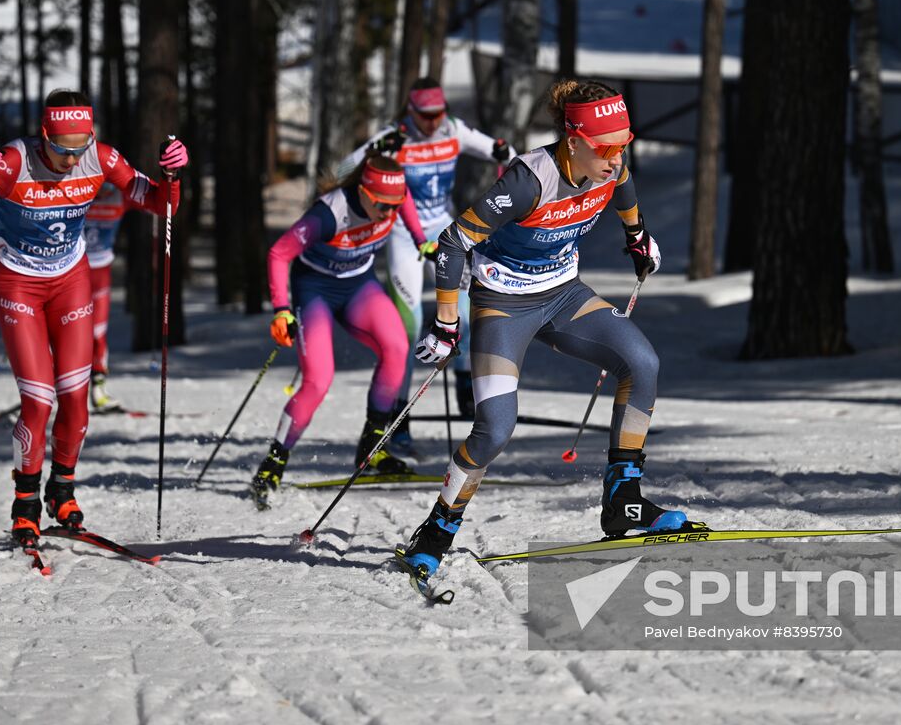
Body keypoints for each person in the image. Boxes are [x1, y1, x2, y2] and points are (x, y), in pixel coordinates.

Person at [398, 79, 703, 580]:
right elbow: (453, 243)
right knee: (495, 428)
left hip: (564, 295)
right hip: (502, 303)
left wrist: (637, 235)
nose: (615, 157)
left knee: (642, 363)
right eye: (605, 147)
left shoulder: (610, 163)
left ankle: (623, 503)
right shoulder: (528, 180)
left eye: (623, 144)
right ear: (574, 139)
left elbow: (622, 186)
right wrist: (447, 322)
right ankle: (436, 530)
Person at [0, 89, 187, 546]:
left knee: (75, 398)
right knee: (39, 400)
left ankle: (61, 490)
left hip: (71, 282)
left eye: (81, 147)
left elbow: (160, 203)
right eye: (62, 149)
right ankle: (25, 504)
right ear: (43, 136)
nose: (73, 160)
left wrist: (173, 174)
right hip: (19, 285)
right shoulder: (12, 162)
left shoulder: (102, 159)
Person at [250, 154, 434, 507]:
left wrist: (422, 240)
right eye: (381, 204)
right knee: (319, 380)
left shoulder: (393, 199)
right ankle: (273, 462)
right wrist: (281, 310)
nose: (388, 212)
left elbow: (406, 208)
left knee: (397, 345)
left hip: (358, 285)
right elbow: (278, 253)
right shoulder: (329, 213)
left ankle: (373, 448)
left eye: (393, 205)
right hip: (315, 290)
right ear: (363, 191)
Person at [341, 77, 512, 446]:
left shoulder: (454, 130)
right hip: (403, 237)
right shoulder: (396, 136)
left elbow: (504, 152)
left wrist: (505, 159)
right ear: (411, 111)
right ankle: (398, 416)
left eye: (438, 113)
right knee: (408, 325)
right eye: (425, 115)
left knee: (464, 315)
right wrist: (373, 152)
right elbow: (342, 171)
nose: (433, 122)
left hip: (442, 233)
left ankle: (467, 393)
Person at [84, 183, 126, 411]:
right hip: (71, 271)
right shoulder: (78, 187)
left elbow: (156, 200)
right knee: (60, 332)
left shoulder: (120, 194)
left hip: (101, 271)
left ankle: (98, 390)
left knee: (97, 333)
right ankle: (47, 391)